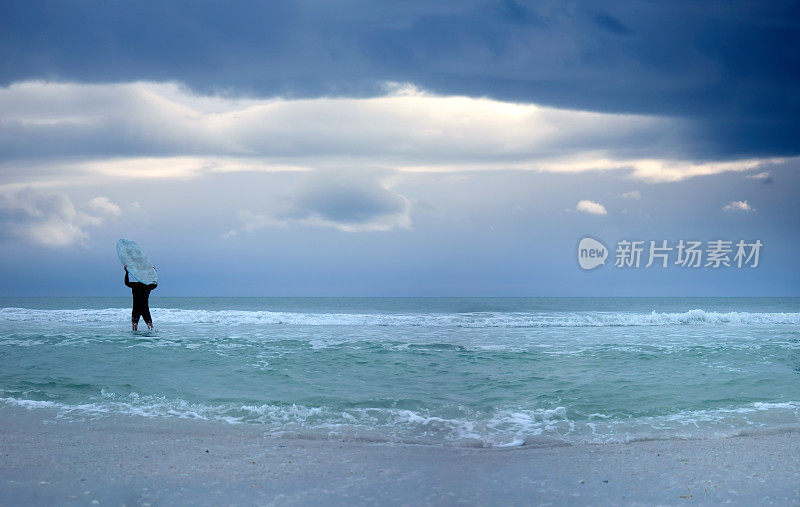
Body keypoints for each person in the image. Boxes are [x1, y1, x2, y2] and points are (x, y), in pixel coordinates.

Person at [124, 266, 157, 331]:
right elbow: (155, 283)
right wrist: (153, 272)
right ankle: (151, 336)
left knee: (134, 325)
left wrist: (127, 272)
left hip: (136, 307)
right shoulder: (148, 286)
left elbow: (126, 282)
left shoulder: (135, 285)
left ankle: (135, 337)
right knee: (150, 326)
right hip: (144, 308)